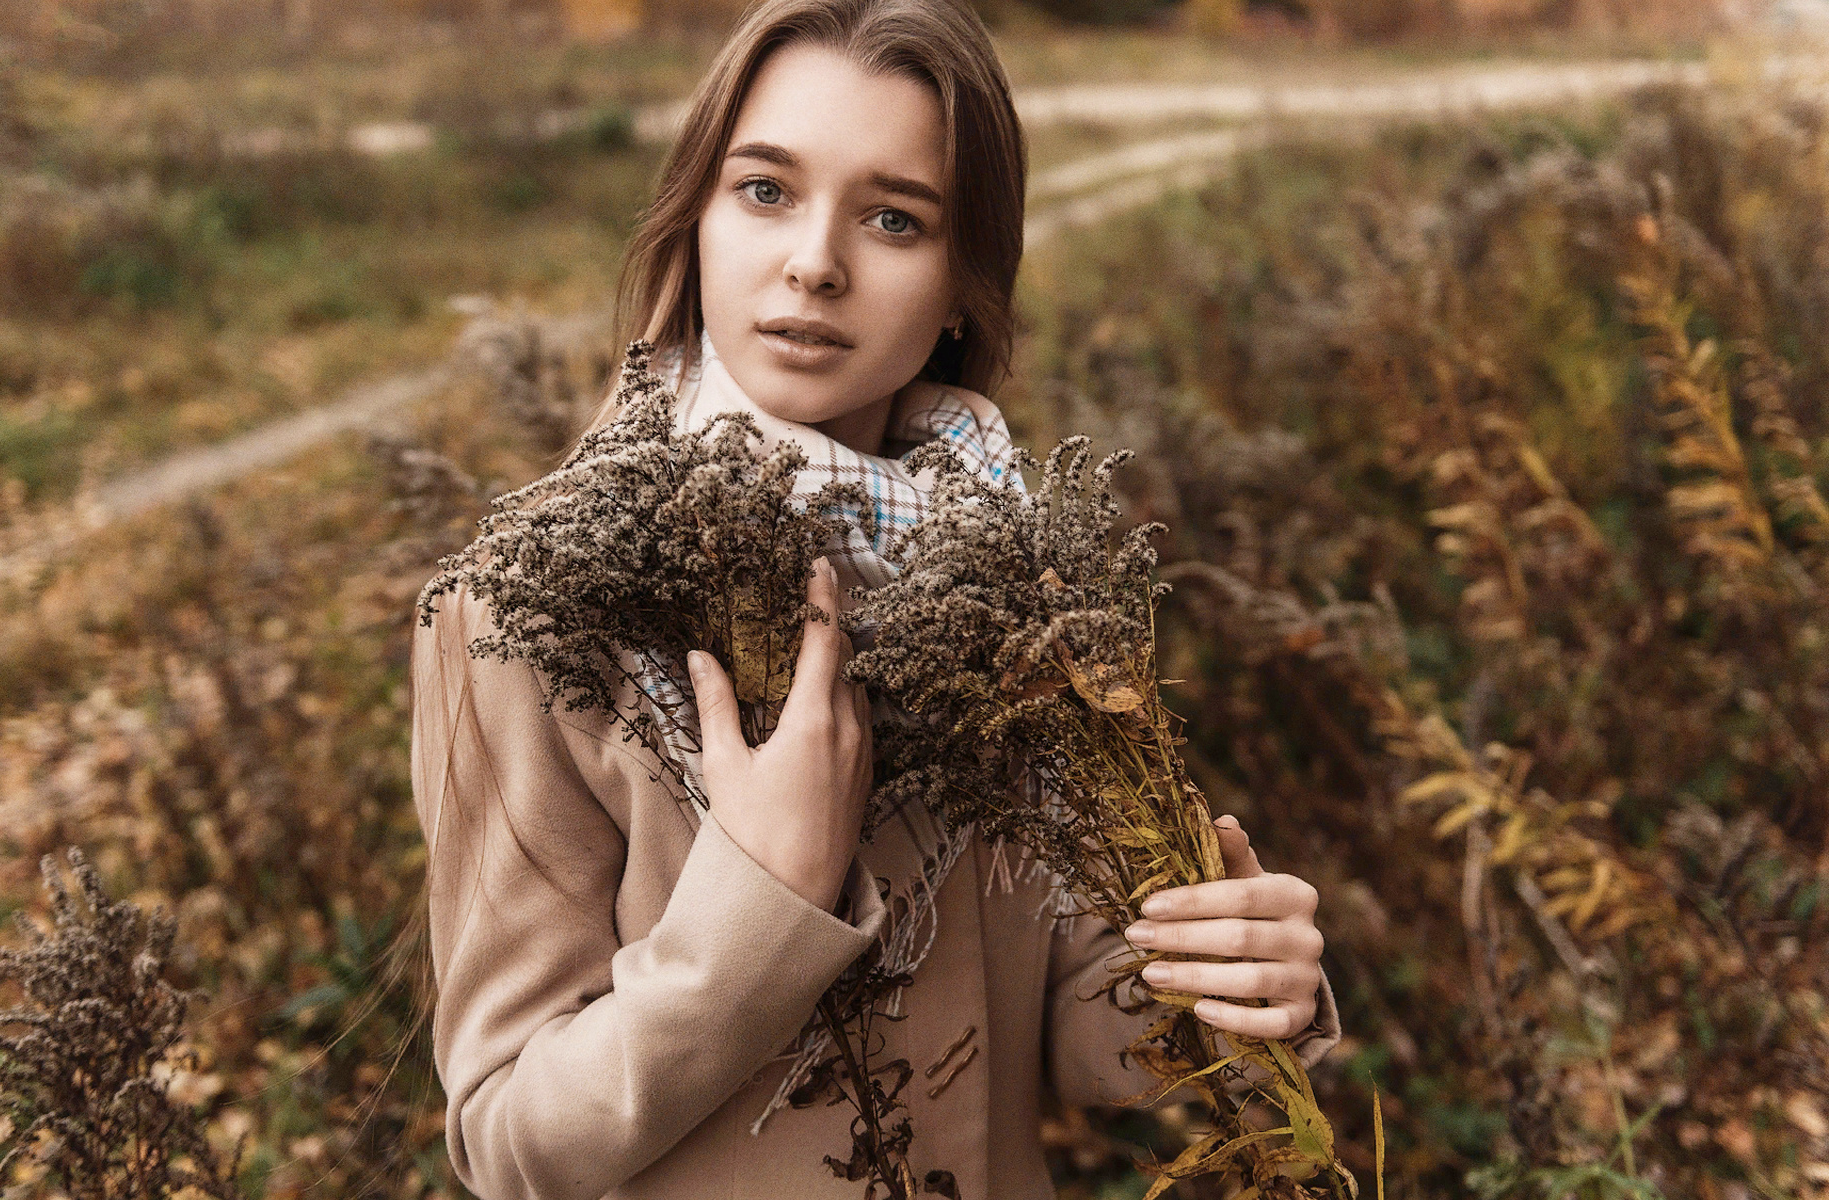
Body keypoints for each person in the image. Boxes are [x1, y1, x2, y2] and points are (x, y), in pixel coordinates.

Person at [409, 1, 1340, 1196]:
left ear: (962, 284)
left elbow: (1072, 1028)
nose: (814, 262)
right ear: (694, 217)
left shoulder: (1016, 580)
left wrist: (1240, 983)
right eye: (765, 191)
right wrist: (764, 902)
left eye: (894, 217)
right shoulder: (531, 608)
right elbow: (506, 1138)